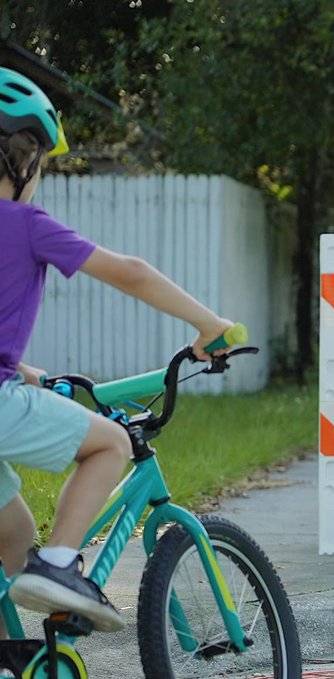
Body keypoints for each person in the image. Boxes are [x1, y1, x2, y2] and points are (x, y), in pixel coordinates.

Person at [0, 68, 234, 637]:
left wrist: (22, 369)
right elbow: (129, 273)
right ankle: (60, 568)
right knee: (110, 441)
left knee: (11, 535)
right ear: (21, 158)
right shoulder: (25, 223)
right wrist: (207, 323)